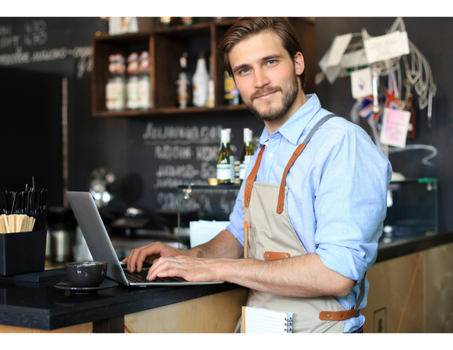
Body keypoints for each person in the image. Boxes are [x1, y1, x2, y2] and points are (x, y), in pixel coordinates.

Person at [123, 17, 392, 333]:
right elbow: (238, 236)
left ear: (298, 63)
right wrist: (187, 257)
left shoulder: (342, 142)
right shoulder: (263, 150)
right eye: (244, 70)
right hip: (259, 328)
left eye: (270, 62)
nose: (259, 80)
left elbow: (337, 273)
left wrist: (215, 267)